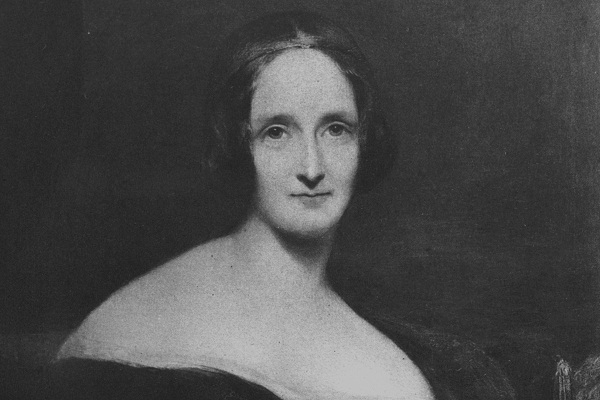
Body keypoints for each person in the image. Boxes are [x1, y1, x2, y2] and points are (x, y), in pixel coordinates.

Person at [51, 11, 516, 400]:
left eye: (336, 129)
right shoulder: (131, 332)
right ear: (240, 143)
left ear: (364, 141)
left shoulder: (424, 364)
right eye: (277, 132)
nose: (311, 167)